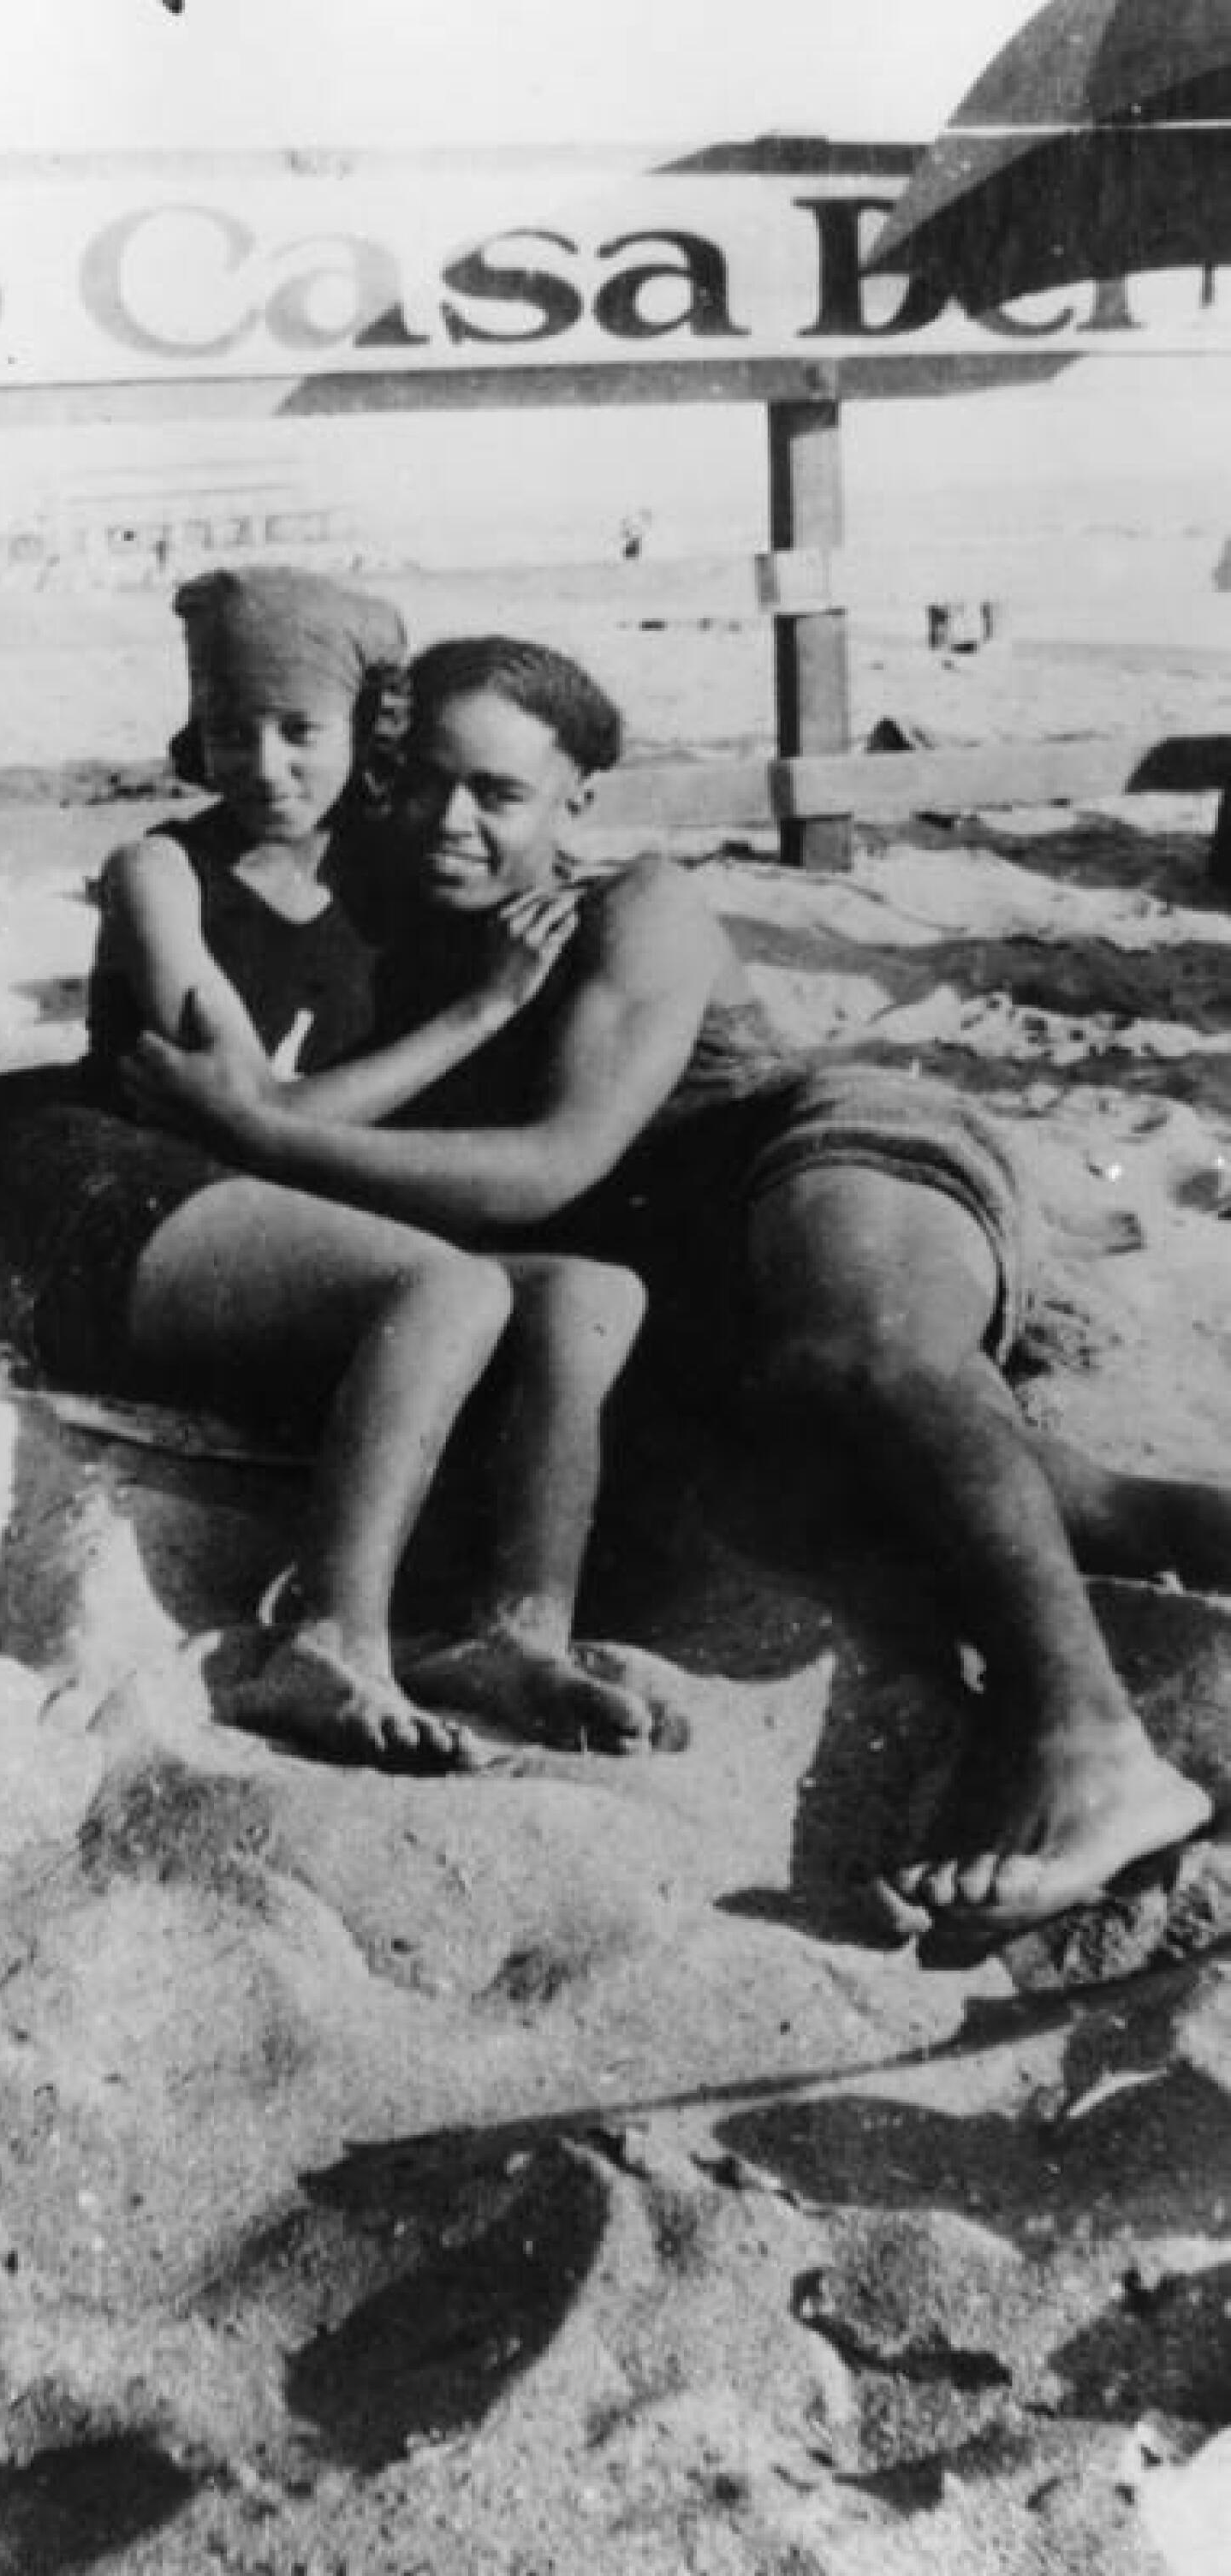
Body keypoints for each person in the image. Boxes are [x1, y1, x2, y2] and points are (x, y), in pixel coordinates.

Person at [124, 631, 1231, 1938]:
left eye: (500, 794)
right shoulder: (406, 930)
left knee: (864, 1360)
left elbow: (554, 1164)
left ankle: (1091, 1748)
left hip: (843, 1157)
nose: (449, 821)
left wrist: (258, 1132)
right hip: (711, 1305)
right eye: (420, 780)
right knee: (1043, 1499)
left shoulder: (633, 903)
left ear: (578, 802)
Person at [0, 574, 681, 1772]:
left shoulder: (392, 871)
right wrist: (484, 1010)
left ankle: (516, 1630)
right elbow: (246, 1114)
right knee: (450, 1291)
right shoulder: (159, 872)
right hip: (106, 1180)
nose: (270, 765)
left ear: (366, 742)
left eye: (304, 732)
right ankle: (326, 1642)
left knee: (595, 1294)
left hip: (242, 1200)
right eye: (236, 728)